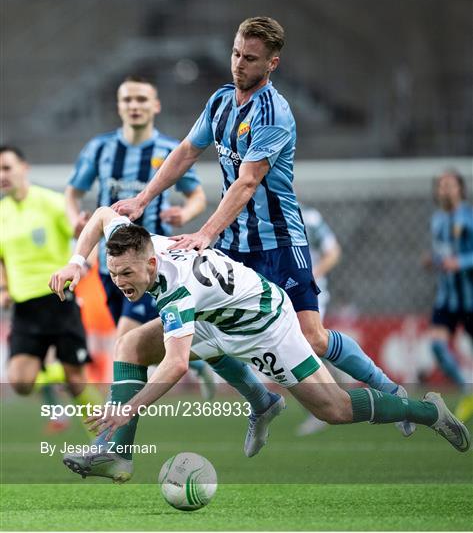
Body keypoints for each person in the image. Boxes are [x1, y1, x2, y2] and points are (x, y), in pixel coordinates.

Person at [112, 17, 414, 437]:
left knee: (314, 338)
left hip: (279, 242)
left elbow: (248, 181)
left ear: (272, 63)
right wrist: (143, 199)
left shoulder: (275, 113)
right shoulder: (219, 102)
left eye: (250, 58)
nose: (238, 64)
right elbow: (184, 151)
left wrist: (206, 233)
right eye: (236, 53)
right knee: (205, 323)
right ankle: (262, 401)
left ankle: (391, 392)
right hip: (236, 243)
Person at [49, 207, 470, 483]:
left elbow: (176, 366)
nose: (119, 283)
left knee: (335, 409)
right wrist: (76, 262)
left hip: (266, 325)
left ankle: (428, 410)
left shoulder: (177, 294)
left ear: (152, 263)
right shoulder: (139, 243)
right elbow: (104, 215)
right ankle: (117, 454)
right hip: (218, 315)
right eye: (113, 273)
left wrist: (128, 406)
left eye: (126, 274)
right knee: (132, 344)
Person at [65, 75, 215, 397]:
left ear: (155, 105)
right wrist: (74, 218)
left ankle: (115, 428)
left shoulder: (168, 149)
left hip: (153, 266)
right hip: (111, 268)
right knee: (143, 343)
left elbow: (198, 197)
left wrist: (185, 214)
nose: (135, 106)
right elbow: (72, 193)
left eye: (142, 99)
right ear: (119, 106)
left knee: (126, 341)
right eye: (128, 100)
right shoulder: (100, 147)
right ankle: (200, 358)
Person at [0, 145, 101, 429]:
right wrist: (4, 289)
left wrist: (85, 265)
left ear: (24, 168)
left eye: (7, 167)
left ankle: (106, 443)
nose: (2, 175)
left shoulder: (52, 202)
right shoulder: (1, 213)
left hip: (59, 299)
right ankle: (56, 374)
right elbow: (2, 258)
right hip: (24, 307)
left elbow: (87, 233)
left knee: (76, 379)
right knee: (20, 382)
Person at [424, 169, 473, 422]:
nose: (444, 189)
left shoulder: (470, 217)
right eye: (440, 185)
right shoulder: (437, 220)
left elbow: (461, 256)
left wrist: (461, 262)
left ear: (460, 189)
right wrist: (433, 260)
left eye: (449, 184)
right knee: (436, 345)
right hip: (447, 298)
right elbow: (443, 253)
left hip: (470, 298)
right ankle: (469, 390)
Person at [296, 207, 341, 436]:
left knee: (309, 342)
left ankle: (322, 407)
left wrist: (312, 275)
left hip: (311, 292)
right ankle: (340, 374)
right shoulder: (261, 220)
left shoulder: (309, 219)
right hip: (282, 295)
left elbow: (332, 252)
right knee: (308, 346)